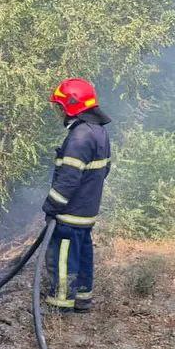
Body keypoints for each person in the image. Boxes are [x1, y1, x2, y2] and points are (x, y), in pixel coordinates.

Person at [42, 78, 111, 312]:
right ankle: (82, 300)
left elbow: (68, 179)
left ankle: (60, 305)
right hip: (86, 212)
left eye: (60, 106)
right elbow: (105, 170)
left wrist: (51, 206)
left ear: (71, 105)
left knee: (62, 259)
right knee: (82, 256)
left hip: (69, 214)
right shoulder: (99, 132)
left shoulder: (79, 137)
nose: (59, 111)